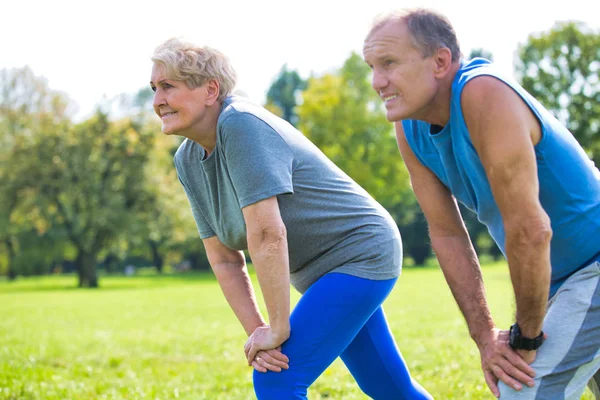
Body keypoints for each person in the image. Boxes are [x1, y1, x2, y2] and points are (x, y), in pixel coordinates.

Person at [149, 37, 432, 400]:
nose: (157, 101)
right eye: (154, 88)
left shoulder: (240, 125)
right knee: (390, 388)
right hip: (320, 275)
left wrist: (279, 328)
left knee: (278, 379)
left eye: (168, 87)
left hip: (361, 253)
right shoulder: (187, 160)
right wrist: (260, 333)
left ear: (210, 90)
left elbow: (268, 234)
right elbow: (223, 258)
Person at [363, 8, 600, 399]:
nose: (376, 81)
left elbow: (531, 230)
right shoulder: (408, 128)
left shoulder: (482, 92)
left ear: (440, 61)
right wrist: (486, 337)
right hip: (559, 281)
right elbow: (446, 234)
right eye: (371, 66)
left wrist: (525, 338)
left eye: (389, 63)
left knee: (523, 388)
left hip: (592, 265)